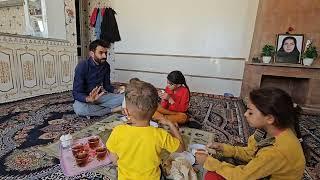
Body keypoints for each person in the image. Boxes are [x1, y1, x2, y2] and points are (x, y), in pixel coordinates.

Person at [195, 87, 306, 180]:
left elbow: (242, 176)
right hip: (265, 170)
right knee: (221, 161)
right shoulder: (268, 131)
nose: (245, 114)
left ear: (269, 118)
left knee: (212, 176)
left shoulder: (275, 152)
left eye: (251, 112)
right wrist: (224, 148)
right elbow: (250, 153)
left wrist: (209, 162)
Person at [106, 80, 185, 180]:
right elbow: (182, 148)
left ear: (126, 112)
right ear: (155, 110)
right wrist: (170, 124)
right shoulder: (161, 134)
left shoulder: (118, 131)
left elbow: (114, 159)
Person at [72, 39, 123, 117]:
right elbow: (76, 93)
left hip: (99, 97)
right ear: (92, 53)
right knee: (79, 109)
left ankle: (96, 109)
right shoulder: (82, 66)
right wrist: (88, 99)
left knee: (125, 98)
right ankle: (110, 110)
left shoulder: (106, 66)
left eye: (106, 53)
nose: (104, 56)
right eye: (101, 53)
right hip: (86, 99)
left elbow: (107, 86)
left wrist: (117, 90)